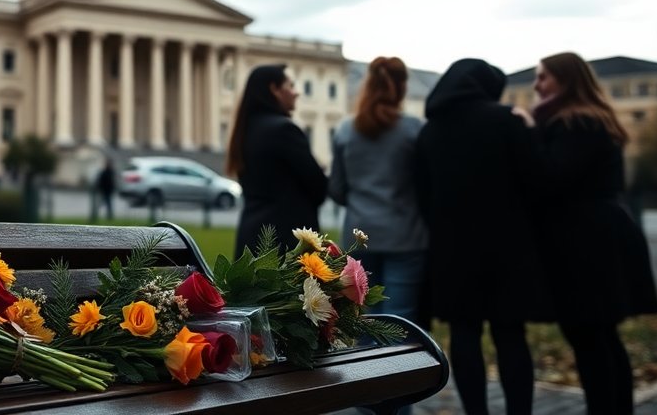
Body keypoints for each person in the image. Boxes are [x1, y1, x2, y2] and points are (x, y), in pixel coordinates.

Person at [529, 52, 657, 415]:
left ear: (566, 80)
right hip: (596, 237)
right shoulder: (587, 119)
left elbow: (551, 177)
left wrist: (527, 132)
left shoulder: (576, 123)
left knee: (589, 335)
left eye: (544, 78)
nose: (537, 86)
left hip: (587, 243)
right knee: (599, 335)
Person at [415, 58, 547, 415]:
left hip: (452, 250)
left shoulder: (430, 132)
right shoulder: (507, 121)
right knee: (510, 335)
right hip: (508, 248)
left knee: (464, 335)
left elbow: (421, 194)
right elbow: (535, 181)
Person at [329, 56, 427, 330]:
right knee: (400, 320)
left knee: (362, 319)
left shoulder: (346, 130)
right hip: (406, 235)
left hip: (358, 236)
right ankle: (402, 373)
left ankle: (371, 373)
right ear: (402, 86)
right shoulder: (414, 130)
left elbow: (336, 188)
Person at [226, 64, 327, 258]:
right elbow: (318, 187)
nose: (296, 93)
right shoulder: (285, 130)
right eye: (290, 86)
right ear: (274, 89)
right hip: (284, 242)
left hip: (251, 238)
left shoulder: (244, 130)